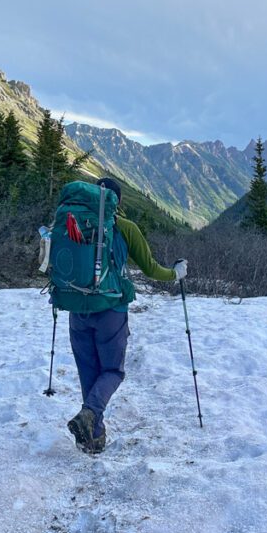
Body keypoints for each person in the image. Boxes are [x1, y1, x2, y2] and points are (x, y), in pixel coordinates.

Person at [65, 177, 187, 454]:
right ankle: (90, 416)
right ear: (116, 201)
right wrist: (176, 273)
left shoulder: (73, 223)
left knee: (89, 372)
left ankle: (93, 439)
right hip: (110, 310)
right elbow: (151, 269)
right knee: (112, 371)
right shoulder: (125, 227)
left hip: (77, 308)